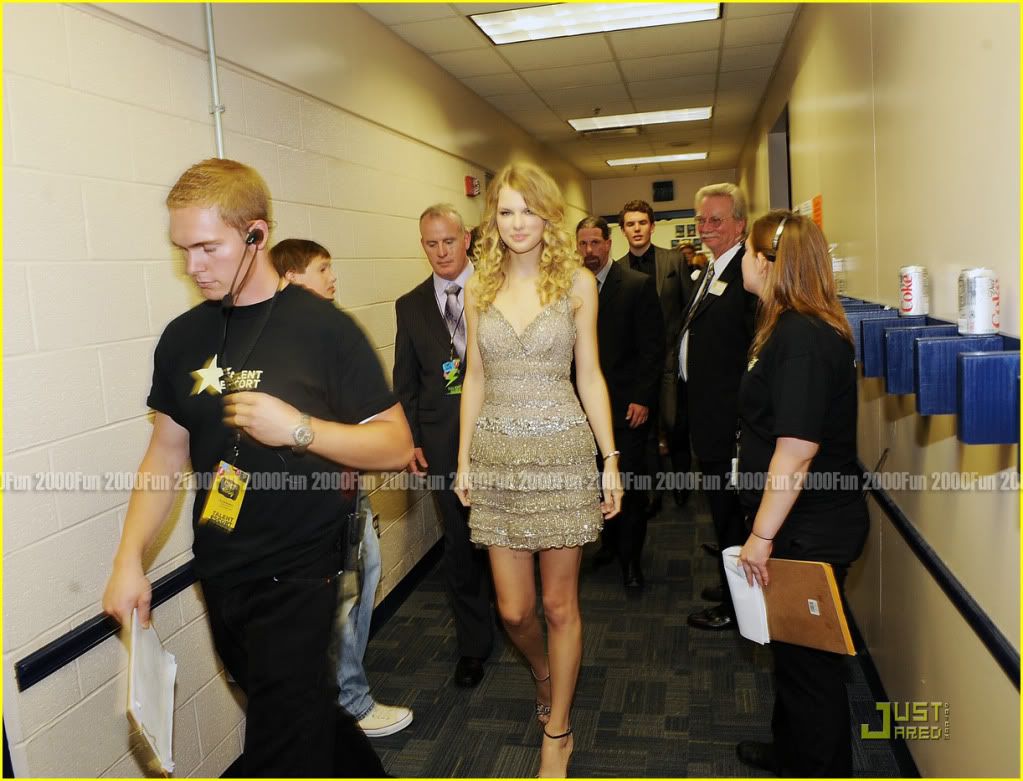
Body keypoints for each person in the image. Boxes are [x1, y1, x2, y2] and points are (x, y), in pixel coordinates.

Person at [101, 158, 414, 777]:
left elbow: (395, 445)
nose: (193, 266)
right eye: (183, 250)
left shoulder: (324, 330)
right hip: (221, 567)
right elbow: (165, 454)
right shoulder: (183, 337)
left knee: (281, 740)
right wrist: (128, 559)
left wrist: (299, 429)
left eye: (208, 248)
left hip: (302, 570)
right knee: (302, 712)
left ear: (256, 235)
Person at [455, 163, 622, 778]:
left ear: (548, 215)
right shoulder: (479, 287)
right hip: (498, 461)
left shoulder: (577, 283)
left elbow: (590, 375)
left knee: (558, 605)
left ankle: (559, 732)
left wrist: (610, 459)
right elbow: (474, 378)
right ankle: (546, 672)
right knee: (514, 612)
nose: (517, 222)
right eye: (505, 211)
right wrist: (463, 458)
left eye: (528, 210)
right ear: (493, 219)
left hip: (563, 457)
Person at [734, 210, 868, 776]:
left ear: (769, 263)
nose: (742, 262)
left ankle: (817, 765)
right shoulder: (791, 328)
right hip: (798, 524)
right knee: (792, 658)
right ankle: (789, 752)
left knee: (812, 673)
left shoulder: (801, 338)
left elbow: (796, 452)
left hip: (806, 530)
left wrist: (761, 536)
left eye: (748, 252)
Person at [270, 238, 414, 738]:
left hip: (348, 490)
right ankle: (350, 704)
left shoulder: (327, 332)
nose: (333, 278)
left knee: (361, 582)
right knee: (342, 598)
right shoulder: (280, 344)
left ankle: (342, 699)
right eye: (322, 269)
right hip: (316, 500)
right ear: (291, 278)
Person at [392, 205, 496, 688]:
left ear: (467, 238)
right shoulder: (410, 305)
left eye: (448, 241)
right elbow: (406, 381)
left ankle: (516, 616)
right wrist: (412, 440)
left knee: (506, 538)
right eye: (431, 244)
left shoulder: (497, 288)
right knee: (459, 544)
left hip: (500, 436)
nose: (440, 252)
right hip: (441, 444)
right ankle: (473, 645)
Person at [680, 183, 758, 632]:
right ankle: (731, 585)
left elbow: (751, 355)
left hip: (730, 425)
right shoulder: (713, 268)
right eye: (701, 219)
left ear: (740, 224)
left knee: (733, 516)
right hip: (708, 417)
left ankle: (736, 606)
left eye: (716, 219)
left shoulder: (746, 275)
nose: (705, 227)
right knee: (721, 512)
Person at [576, 216, 664, 588]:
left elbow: (652, 348)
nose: (589, 250)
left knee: (629, 485)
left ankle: (632, 561)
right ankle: (610, 545)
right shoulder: (569, 288)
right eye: (583, 244)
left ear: (609, 244)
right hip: (584, 412)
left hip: (627, 409)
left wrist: (643, 398)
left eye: (596, 243)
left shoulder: (635, 285)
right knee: (598, 484)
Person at [617, 200, 692, 513]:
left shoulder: (673, 260)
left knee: (675, 427)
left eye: (642, 223)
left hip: (672, 361)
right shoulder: (618, 269)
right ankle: (655, 493)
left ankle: (682, 485)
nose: (637, 229)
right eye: (630, 224)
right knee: (645, 434)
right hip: (639, 369)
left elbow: (688, 309)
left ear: (652, 226)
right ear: (622, 230)